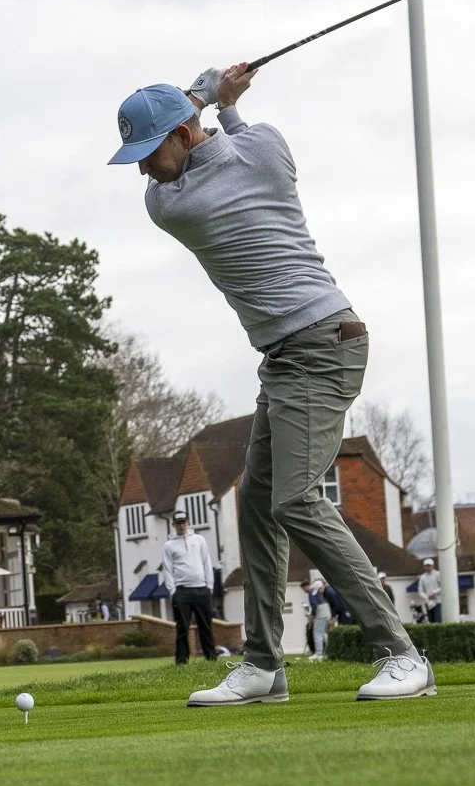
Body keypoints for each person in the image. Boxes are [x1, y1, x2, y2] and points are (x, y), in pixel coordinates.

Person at [111, 65, 432, 705]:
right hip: (290, 354)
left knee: (294, 500)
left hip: (320, 344)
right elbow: (236, 142)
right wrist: (224, 103)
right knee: (257, 504)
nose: (144, 170)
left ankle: (402, 654)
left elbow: (211, 147)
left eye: (149, 152)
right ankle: (262, 666)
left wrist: (206, 94)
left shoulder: (176, 203)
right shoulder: (263, 148)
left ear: (182, 133)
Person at [163, 508, 218, 665]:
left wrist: (209, 586)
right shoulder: (169, 545)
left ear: (188, 523)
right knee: (182, 628)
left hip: (201, 589)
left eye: (183, 522)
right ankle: (181, 661)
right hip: (182, 591)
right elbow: (167, 569)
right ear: (174, 525)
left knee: (205, 626)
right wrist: (173, 591)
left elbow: (206, 562)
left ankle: (211, 658)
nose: (181, 526)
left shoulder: (199, 540)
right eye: (178, 523)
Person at [306, 574, 332, 661]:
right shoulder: (322, 595)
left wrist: (313, 616)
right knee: (324, 634)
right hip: (327, 615)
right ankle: (328, 652)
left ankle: (319, 653)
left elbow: (314, 606)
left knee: (317, 634)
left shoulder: (314, 594)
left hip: (320, 615)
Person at [416, 558, 443, 625]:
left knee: (438, 620)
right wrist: (427, 597)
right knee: (431, 621)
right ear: (424, 566)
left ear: (433, 565)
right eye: (426, 565)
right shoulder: (422, 577)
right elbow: (420, 591)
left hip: (438, 602)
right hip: (428, 603)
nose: (428, 567)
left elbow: (443, 587)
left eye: (429, 565)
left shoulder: (438, 574)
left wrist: (434, 593)